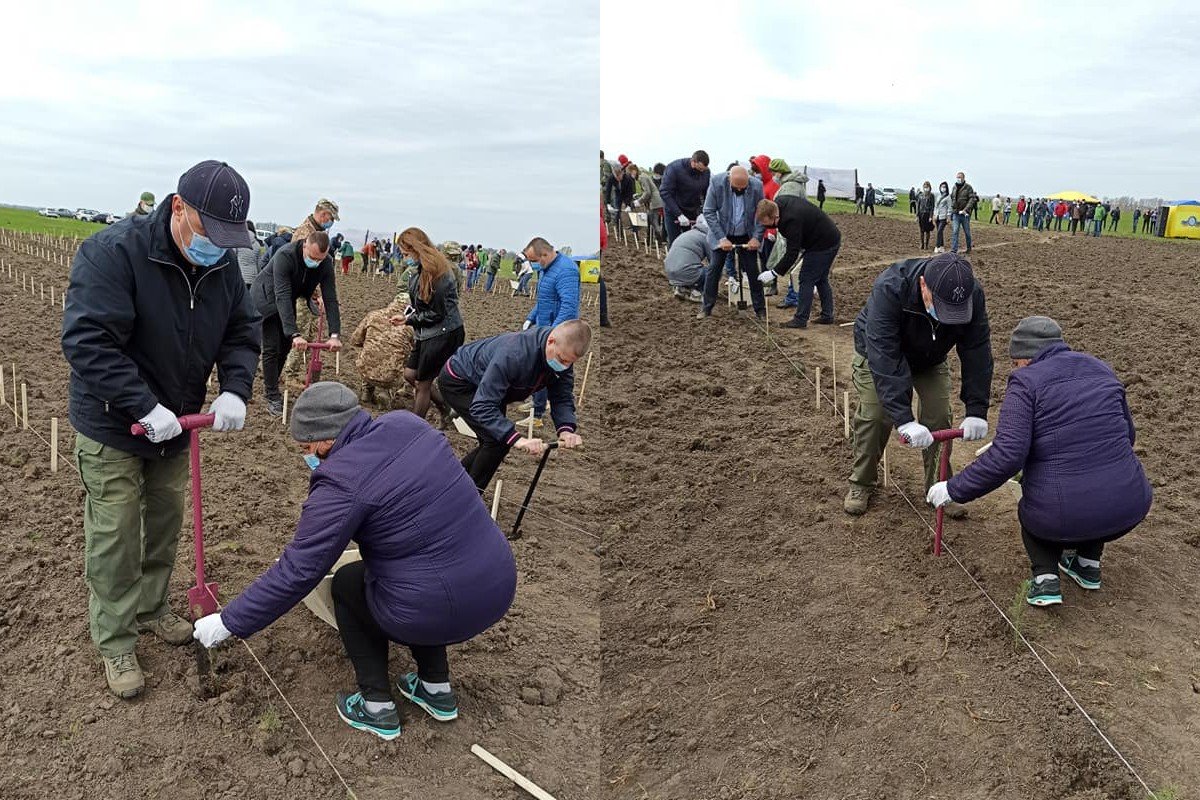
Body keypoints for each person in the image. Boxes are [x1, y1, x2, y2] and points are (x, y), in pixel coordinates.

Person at [192, 382, 517, 739]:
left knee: (348, 584)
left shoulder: (341, 480)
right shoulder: (408, 424)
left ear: (325, 441)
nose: (307, 457)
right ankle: (435, 689)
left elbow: (299, 571)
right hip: (497, 582)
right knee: (416, 574)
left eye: (306, 448)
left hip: (437, 602)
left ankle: (376, 705)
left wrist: (228, 621)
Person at [62, 159, 261, 698]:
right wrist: (142, 406)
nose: (217, 249)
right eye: (208, 234)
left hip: (177, 424)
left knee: (167, 522)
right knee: (117, 535)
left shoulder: (221, 269)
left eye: (228, 240)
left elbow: (243, 333)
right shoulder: (114, 253)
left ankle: (152, 608)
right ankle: (115, 637)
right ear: (178, 208)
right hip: (113, 425)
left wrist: (235, 388)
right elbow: (87, 343)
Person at [928, 317, 1152, 607]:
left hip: (1062, 515)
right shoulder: (1101, 369)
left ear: (1024, 358)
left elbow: (1008, 456)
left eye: (1015, 362)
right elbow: (1128, 436)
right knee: (1093, 486)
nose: (1014, 368)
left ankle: (1045, 579)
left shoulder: (1026, 381)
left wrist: (954, 488)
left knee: (1039, 506)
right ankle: (1087, 564)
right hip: (1130, 505)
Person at [844, 253, 993, 517]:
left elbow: (977, 350)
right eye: (942, 306)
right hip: (878, 354)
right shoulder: (890, 288)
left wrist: (976, 410)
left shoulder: (971, 294)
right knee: (877, 415)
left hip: (930, 359)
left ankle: (939, 487)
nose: (948, 317)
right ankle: (861, 483)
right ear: (924, 285)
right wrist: (904, 419)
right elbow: (884, 355)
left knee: (939, 417)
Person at [437, 320, 589, 492]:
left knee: (495, 442)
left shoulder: (562, 357)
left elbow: (561, 397)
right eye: (562, 359)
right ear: (551, 341)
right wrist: (519, 440)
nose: (564, 366)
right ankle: (464, 498)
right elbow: (482, 406)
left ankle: (454, 487)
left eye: (570, 362)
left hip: (494, 388)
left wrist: (566, 429)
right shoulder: (514, 354)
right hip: (460, 381)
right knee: (497, 441)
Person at [251, 231, 342, 416]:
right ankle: (272, 395)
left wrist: (334, 335)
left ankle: (273, 382)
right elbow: (282, 294)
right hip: (267, 297)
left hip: (289, 297)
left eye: (320, 259)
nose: (316, 262)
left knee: (285, 347)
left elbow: (331, 298)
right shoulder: (285, 255)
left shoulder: (325, 263)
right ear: (305, 245)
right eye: (312, 257)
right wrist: (294, 333)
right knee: (272, 346)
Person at [395, 227, 463, 423]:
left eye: (406, 253)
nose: (404, 257)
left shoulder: (439, 274)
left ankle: (415, 429)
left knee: (422, 384)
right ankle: (447, 408)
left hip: (443, 333)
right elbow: (421, 305)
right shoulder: (419, 271)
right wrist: (407, 317)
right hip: (426, 331)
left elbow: (437, 313)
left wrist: (410, 320)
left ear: (417, 249)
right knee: (410, 374)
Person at [755, 194, 841, 329]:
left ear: (775, 217)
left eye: (768, 225)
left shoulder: (790, 221)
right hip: (824, 236)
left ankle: (800, 319)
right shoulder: (779, 203)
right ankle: (827, 315)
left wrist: (774, 272)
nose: (767, 228)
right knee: (821, 279)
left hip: (824, 243)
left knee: (806, 278)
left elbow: (792, 252)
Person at [520, 238, 580, 425]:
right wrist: (531, 318)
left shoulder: (566, 270)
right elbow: (544, 300)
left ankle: (537, 415)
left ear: (545, 254)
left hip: (558, 334)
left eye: (535, 260)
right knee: (540, 367)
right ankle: (537, 403)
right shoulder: (546, 270)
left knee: (553, 371)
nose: (533, 265)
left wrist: (554, 334)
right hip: (543, 328)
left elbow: (568, 306)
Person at [697, 166, 766, 320]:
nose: (741, 190)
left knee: (753, 271)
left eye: (744, 188)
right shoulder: (716, 183)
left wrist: (756, 237)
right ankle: (706, 307)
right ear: (729, 180)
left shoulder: (757, 186)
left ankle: (760, 310)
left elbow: (762, 213)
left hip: (746, 234)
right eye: (737, 188)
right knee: (714, 269)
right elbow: (708, 211)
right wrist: (722, 238)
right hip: (723, 232)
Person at [350, 294, 415, 407]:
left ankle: (367, 390)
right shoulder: (410, 327)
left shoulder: (373, 315)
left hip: (365, 371)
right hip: (392, 377)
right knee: (405, 356)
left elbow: (355, 340)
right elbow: (415, 351)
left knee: (370, 351)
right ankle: (387, 391)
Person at [766, 159, 810, 309]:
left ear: (779, 172)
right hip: (798, 228)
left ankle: (793, 296)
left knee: (792, 261)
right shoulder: (793, 184)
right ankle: (796, 294)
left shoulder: (789, 187)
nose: (772, 176)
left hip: (793, 230)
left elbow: (787, 211)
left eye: (772, 172)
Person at [659, 150, 711, 245]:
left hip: (692, 211)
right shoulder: (674, 169)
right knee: (675, 243)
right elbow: (665, 192)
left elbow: (707, 194)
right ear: (693, 162)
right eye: (700, 169)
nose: (701, 172)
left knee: (691, 242)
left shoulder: (706, 172)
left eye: (704, 170)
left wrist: (703, 212)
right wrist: (679, 214)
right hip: (674, 212)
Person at [664, 223, 710, 302]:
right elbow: (714, 261)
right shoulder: (705, 238)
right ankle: (697, 292)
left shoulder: (686, 234)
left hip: (669, 272)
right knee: (710, 272)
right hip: (686, 272)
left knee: (691, 267)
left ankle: (681, 288)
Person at [950, 171, 978, 253]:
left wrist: (965, 210)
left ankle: (969, 248)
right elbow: (952, 198)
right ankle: (954, 250)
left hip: (965, 214)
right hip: (956, 213)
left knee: (967, 232)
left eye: (960, 177)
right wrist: (952, 209)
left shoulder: (968, 187)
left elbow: (972, 199)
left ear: (963, 178)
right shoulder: (954, 187)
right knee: (955, 231)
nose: (958, 178)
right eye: (957, 177)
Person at [235, 220, 267, 290]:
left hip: (239, 275)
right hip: (252, 277)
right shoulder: (258, 244)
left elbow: (233, 258)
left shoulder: (238, 241)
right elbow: (260, 263)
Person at [933, 181, 952, 253]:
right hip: (937, 216)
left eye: (944, 187)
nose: (943, 188)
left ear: (946, 188)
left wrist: (948, 217)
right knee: (939, 232)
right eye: (941, 187)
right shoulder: (938, 196)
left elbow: (950, 208)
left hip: (944, 217)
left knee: (939, 231)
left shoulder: (948, 197)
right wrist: (934, 215)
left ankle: (937, 246)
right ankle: (941, 246)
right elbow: (936, 206)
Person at [915, 182, 935, 250]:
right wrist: (917, 215)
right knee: (921, 230)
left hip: (927, 214)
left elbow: (932, 207)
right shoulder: (920, 195)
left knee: (927, 230)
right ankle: (922, 244)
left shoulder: (931, 195)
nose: (926, 188)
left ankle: (926, 245)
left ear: (929, 187)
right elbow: (918, 205)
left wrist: (931, 216)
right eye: (925, 187)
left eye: (927, 187)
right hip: (921, 214)